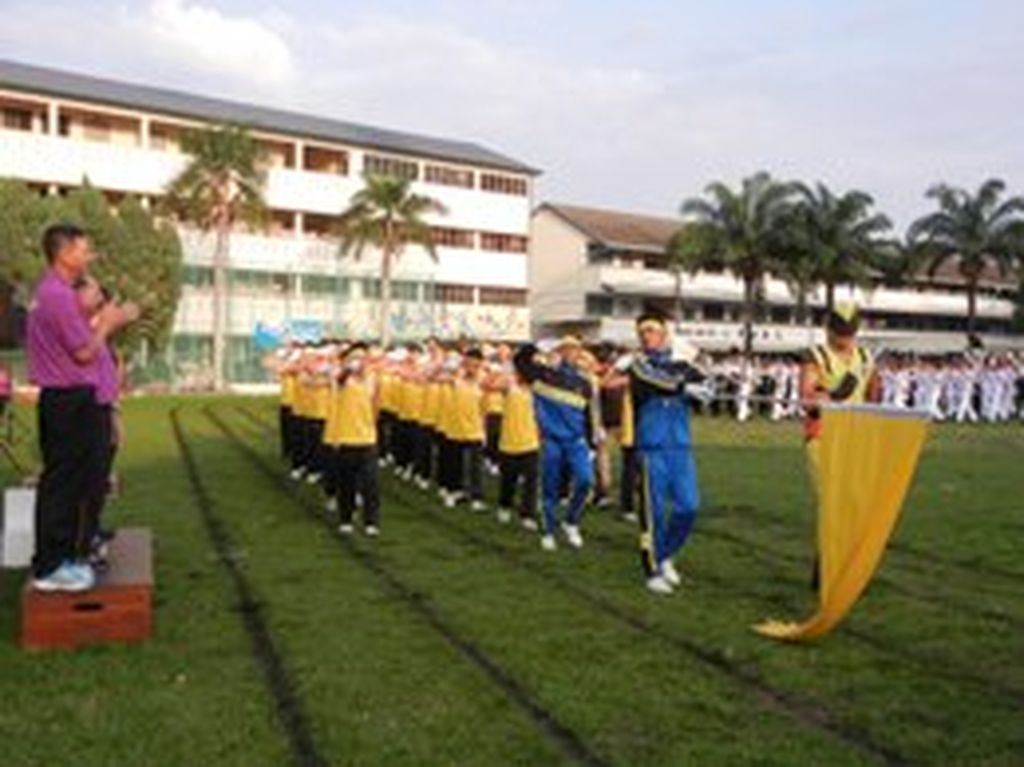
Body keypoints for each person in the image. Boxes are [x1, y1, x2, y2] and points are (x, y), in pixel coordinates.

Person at [27, 224, 138, 592]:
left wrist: (107, 318)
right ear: (64, 254)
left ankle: (63, 558)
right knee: (65, 483)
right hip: (69, 399)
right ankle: (51, 565)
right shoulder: (57, 295)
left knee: (73, 480)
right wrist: (107, 324)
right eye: (83, 250)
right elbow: (84, 353)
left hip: (69, 399)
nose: (88, 256)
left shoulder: (52, 293)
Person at [800, 302, 880, 590]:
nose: (844, 338)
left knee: (854, 503)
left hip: (854, 439)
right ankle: (826, 566)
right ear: (828, 328)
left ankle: (841, 564)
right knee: (831, 500)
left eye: (849, 332)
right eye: (839, 332)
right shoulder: (816, 356)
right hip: (821, 436)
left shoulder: (866, 358)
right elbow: (808, 398)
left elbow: (873, 396)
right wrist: (833, 395)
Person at [628, 311, 709, 595]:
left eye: (651, 331)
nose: (646, 337)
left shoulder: (681, 364)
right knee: (653, 513)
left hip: (680, 448)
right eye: (642, 332)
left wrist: (698, 379)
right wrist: (685, 384)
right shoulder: (638, 365)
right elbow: (657, 382)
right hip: (651, 448)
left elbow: (703, 377)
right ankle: (652, 570)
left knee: (689, 507)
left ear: (665, 334)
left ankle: (665, 555)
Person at [514, 336, 596, 551]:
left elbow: (587, 415)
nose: (570, 353)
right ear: (558, 351)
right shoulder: (542, 374)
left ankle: (571, 521)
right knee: (549, 488)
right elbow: (520, 360)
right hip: (552, 441)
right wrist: (537, 347)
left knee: (586, 481)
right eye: (565, 349)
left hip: (576, 442)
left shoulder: (584, 383)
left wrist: (592, 443)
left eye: (574, 349)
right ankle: (548, 531)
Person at [323, 343, 381, 536]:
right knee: (346, 482)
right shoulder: (340, 377)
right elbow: (338, 380)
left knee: (370, 483)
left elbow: (375, 405)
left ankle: (371, 521)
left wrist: (370, 425)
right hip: (346, 438)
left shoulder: (372, 378)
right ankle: (346, 518)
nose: (359, 361)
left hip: (367, 438)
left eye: (362, 358)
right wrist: (348, 370)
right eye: (354, 357)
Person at [495, 366, 540, 529]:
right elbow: (495, 384)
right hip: (509, 443)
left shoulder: (537, 394)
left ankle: (528, 514)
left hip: (530, 443)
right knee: (508, 480)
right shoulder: (510, 388)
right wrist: (509, 372)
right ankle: (505, 505)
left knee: (531, 481)